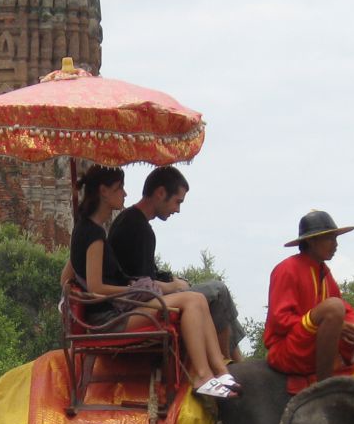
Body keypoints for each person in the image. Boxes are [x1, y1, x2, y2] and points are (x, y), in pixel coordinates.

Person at [69, 165, 239, 398]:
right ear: (104, 192)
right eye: (120, 188)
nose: (125, 194)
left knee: (197, 298)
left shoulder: (86, 230)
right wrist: (132, 288)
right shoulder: (95, 235)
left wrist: (76, 292)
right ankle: (203, 375)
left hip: (112, 310)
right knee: (192, 301)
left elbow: (68, 277)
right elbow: (97, 288)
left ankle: (220, 370)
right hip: (109, 319)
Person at [263, 210, 354, 388]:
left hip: (321, 343)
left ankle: (347, 374)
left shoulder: (325, 273)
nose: (335, 245)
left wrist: (352, 329)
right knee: (333, 307)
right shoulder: (287, 268)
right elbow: (280, 320)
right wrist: (328, 324)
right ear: (311, 241)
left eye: (336, 239)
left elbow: (346, 311)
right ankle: (325, 387)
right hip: (290, 348)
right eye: (330, 239)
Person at [108, 165, 191, 292]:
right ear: (161, 193)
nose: (177, 210)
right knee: (218, 290)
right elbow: (144, 285)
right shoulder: (140, 230)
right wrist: (176, 286)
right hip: (139, 303)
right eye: (177, 202)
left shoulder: (126, 218)